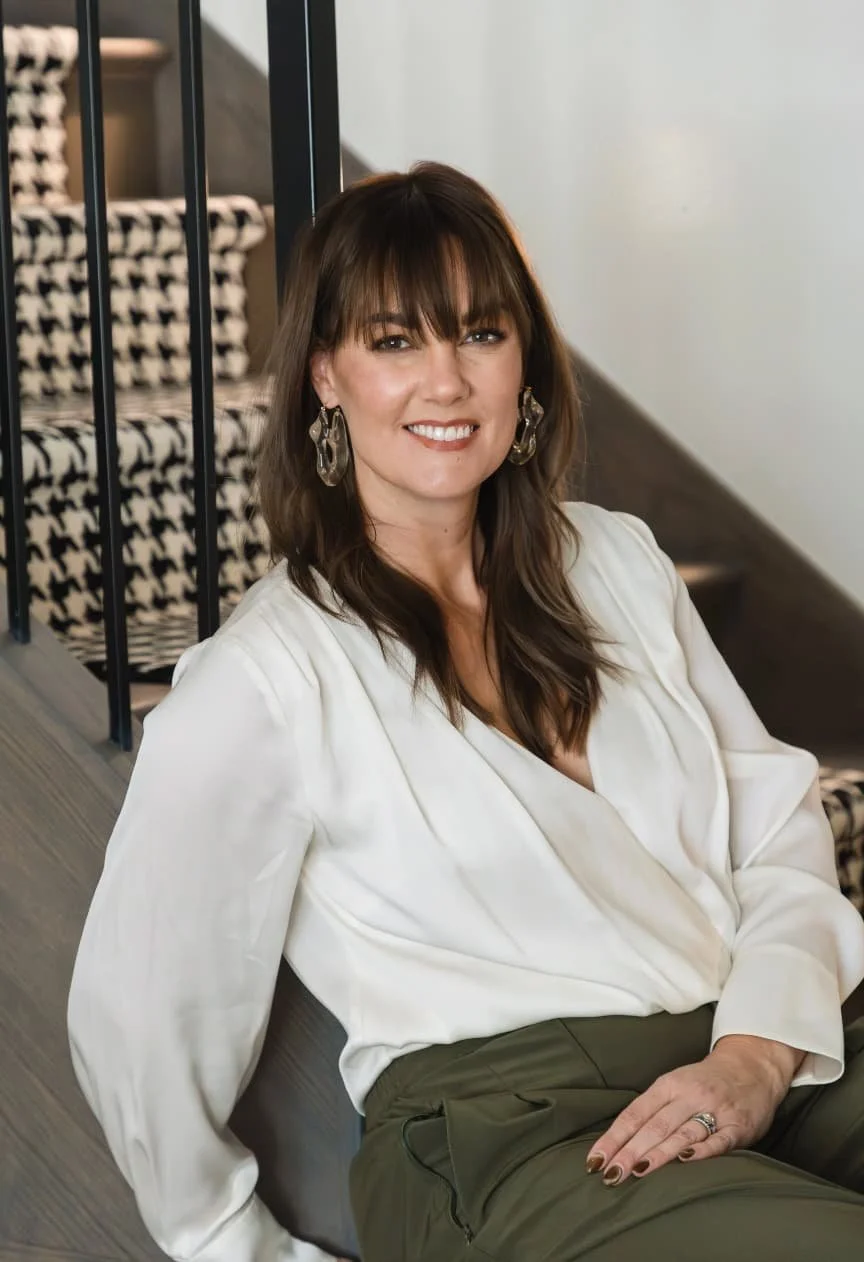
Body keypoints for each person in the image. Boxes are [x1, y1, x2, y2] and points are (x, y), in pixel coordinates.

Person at [67, 161, 864, 1262]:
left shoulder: (619, 563)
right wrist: (232, 1245)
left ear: (524, 361)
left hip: (761, 1046)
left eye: (480, 333)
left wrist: (757, 1052)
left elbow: (778, 830)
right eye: (395, 341)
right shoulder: (262, 679)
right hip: (512, 1135)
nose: (446, 380)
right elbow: (140, 1018)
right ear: (325, 377)